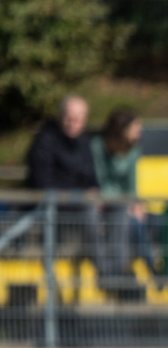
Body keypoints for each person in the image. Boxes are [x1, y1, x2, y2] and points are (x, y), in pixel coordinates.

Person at [24, 94, 108, 287]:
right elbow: (41, 183)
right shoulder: (45, 141)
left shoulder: (85, 142)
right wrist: (77, 195)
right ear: (61, 116)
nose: (73, 123)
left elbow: (92, 177)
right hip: (51, 210)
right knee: (89, 211)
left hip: (78, 209)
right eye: (69, 117)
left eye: (78, 118)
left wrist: (95, 191)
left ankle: (110, 272)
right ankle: (103, 270)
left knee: (119, 215)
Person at [91, 107, 156, 284]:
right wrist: (125, 201)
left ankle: (147, 269)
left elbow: (131, 184)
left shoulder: (134, 150)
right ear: (123, 129)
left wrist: (136, 204)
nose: (140, 131)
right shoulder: (99, 146)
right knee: (130, 224)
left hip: (122, 203)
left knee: (143, 222)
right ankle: (146, 271)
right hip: (106, 203)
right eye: (136, 127)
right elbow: (100, 180)